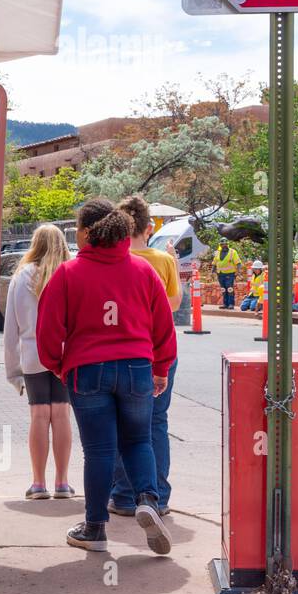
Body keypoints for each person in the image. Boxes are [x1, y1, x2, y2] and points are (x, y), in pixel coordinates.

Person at [36, 197, 176, 556]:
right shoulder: (144, 271)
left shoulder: (68, 274)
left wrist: (57, 364)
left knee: (99, 451)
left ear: (86, 233)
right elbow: (164, 325)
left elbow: (49, 329)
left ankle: (95, 528)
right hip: (136, 367)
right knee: (139, 441)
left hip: (88, 369)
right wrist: (160, 368)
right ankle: (147, 498)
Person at [109, 196, 182, 517]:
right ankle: (158, 495)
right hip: (159, 351)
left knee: (120, 423)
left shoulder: (113, 260)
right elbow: (174, 304)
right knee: (156, 422)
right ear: (148, 227)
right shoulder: (162, 262)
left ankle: (124, 494)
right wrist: (175, 267)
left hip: (122, 351)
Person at [3, 224, 75, 501]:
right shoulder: (68, 274)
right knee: (61, 414)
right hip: (64, 353)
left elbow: (11, 328)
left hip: (32, 355)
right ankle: (62, 482)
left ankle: (38, 483)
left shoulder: (21, 276)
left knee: (39, 415)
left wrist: (13, 374)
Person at [215, 240, 241, 310]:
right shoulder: (217, 253)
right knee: (223, 289)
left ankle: (231, 304)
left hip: (230, 274)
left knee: (229, 289)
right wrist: (212, 272)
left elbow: (238, 263)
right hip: (220, 274)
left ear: (227, 244)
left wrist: (238, 271)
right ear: (220, 245)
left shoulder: (233, 252)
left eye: (225, 244)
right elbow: (214, 262)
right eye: (222, 244)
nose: (224, 245)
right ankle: (225, 304)